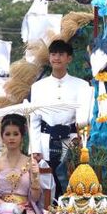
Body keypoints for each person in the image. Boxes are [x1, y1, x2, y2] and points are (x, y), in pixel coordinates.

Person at [29, 39, 92, 199]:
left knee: (70, 183)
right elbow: (34, 120)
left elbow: (85, 119)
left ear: (69, 58)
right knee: (47, 185)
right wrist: (35, 149)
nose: (56, 58)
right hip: (45, 141)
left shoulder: (82, 85)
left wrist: (82, 143)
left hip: (71, 141)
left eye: (61, 54)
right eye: (53, 54)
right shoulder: (38, 86)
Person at [0, 114, 43, 214]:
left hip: (24, 211)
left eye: (16, 134)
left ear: (22, 137)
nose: (11, 138)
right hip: (1, 210)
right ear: (2, 137)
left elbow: (35, 198)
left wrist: (35, 177)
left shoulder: (31, 162)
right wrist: (8, 208)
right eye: (7, 134)